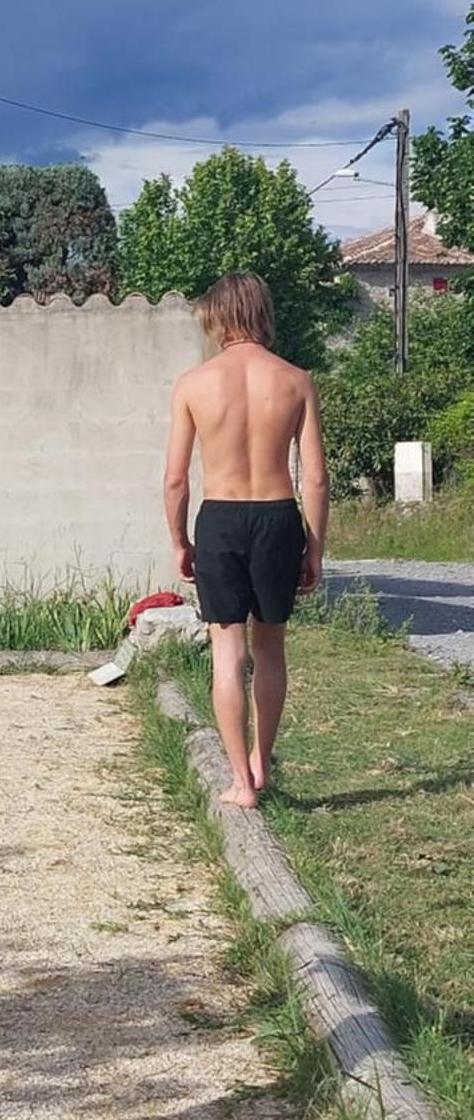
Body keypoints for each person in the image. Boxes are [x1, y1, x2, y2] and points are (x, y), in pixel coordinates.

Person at [163, 270, 329, 810]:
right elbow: (317, 478)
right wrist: (316, 547)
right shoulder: (296, 380)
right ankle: (262, 760)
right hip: (279, 516)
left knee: (227, 653)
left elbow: (174, 479)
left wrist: (179, 541)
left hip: (222, 520)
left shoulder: (193, 383)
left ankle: (240, 783)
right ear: (261, 312)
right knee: (271, 648)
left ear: (218, 317)